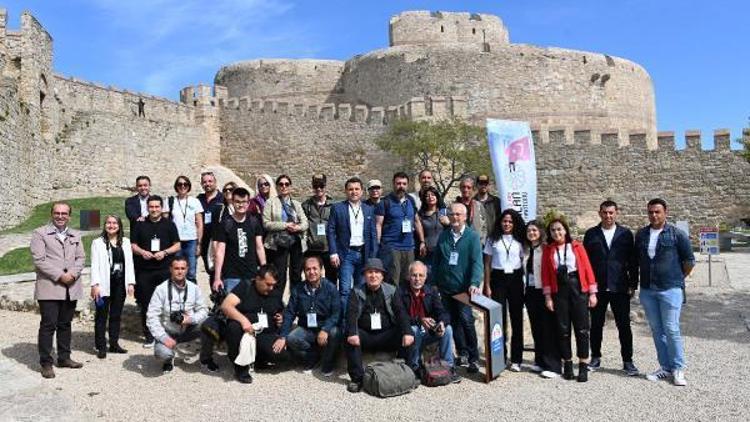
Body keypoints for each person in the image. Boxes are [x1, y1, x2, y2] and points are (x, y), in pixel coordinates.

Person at [635, 198, 694, 386]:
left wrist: (676, 279)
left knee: (671, 328)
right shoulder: (642, 235)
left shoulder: (677, 234)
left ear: (665, 212)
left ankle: (678, 368)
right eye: (650, 212)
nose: (654, 215)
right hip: (647, 290)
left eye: (657, 212)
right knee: (657, 329)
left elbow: (689, 261)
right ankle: (665, 367)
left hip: (670, 289)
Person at [583, 200, 640, 376]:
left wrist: (633, 284)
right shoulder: (591, 234)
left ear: (617, 213)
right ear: (600, 213)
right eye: (605, 212)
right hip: (597, 287)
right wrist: (587, 287)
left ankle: (628, 361)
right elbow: (586, 263)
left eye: (611, 213)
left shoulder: (625, 234)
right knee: (596, 325)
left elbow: (633, 261)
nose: (608, 216)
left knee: (624, 326)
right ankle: (595, 357)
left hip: (620, 286)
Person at [31, 202, 86, 379]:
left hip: (71, 285)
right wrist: (60, 276)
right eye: (57, 213)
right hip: (50, 286)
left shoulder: (76, 234)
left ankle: (64, 357)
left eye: (64, 213)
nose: (60, 216)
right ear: (52, 214)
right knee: (48, 325)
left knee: (65, 324)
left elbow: (81, 258)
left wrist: (72, 274)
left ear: (69, 216)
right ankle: (46, 363)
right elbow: (39, 260)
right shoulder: (40, 233)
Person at [344, 258, 414, 393]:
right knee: (350, 335)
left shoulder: (392, 291)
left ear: (382, 275)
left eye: (377, 272)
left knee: (406, 333)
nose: (373, 275)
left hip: (386, 334)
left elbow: (401, 312)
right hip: (365, 335)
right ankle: (357, 379)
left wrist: (407, 332)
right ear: (365, 275)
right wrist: (353, 332)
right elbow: (351, 314)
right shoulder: (356, 292)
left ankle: (407, 373)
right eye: (370, 272)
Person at [541, 217, 598, 382]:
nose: (556, 232)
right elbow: (545, 274)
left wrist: (592, 293)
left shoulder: (577, 247)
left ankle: (582, 365)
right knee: (563, 329)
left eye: (559, 229)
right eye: (553, 230)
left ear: (565, 230)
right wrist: (548, 297)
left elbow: (587, 268)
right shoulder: (549, 250)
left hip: (578, 288)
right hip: (559, 291)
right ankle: (567, 363)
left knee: (582, 328)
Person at [432, 202, 483, 373]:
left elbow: (477, 262)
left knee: (467, 321)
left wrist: (475, 283)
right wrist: (434, 283)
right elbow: (436, 261)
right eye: (452, 214)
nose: (455, 217)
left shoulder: (472, 237)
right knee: (452, 321)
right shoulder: (444, 235)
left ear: (465, 216)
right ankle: (461, 353)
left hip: (463, 289)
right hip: (445, 287)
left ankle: (474, 357)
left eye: (458, 214)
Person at [223, 265, 289, 384]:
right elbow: (226, 305)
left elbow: (281, 310)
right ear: (258, 279)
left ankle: (258, 359)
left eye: (273, 284)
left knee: (281, 356)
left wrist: (280, 318)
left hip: (265, 333)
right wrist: (243, 321)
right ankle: (240, 367)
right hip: (246, 332)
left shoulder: (274, 292)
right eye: (268, 284)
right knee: (233, 327)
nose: (271, 288)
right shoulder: (245, 286)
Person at [131, 195, 181, 347]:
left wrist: (165, 252)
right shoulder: (140, 224)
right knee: (146, 304)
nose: (154, 209)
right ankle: (150, 336)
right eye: (151, 207)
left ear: (161, 208)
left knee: (167, 303)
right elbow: (133, 245)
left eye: (156, 206)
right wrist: (142, 252)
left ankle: (166, 334)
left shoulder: (169, 224)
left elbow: (177, 245)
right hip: (145, 271)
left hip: (164, 269)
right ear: (147, 207)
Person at [278, 256, 341, 375]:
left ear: (321, 270)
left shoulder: (331, 288)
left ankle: (327, 365)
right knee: (291, 338)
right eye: (308, 269)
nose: (311, 272)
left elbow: (336, 313)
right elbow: (290, 313)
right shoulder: (298, 289)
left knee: (335, 332)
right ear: (304, 272)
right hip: (307, 328)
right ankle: (313, 356)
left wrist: (325, 329)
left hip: (325, 327)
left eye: (315, 268)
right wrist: (283, 336)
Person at [398, 261, 459, 382]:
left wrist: (441, 322)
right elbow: (400, 317)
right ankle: (414, 367)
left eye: (421, 275)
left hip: (427, 333)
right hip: (409, 334)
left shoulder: (431, 291)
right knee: (414, 329)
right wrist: (420, 320)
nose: (417, 279)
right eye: (414, 275)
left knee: (448, 329)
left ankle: (449, 367)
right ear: (408, 276)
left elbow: (442, 312)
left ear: (425, 277)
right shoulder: (400, 292)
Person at [146, 257, 209, 373]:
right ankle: (168, 359)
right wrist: (163, 338)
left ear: (187, 269)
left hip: (188, 329)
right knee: (162, 353)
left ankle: (205, 358)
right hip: (168, 331)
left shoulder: (194, 288)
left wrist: (190, 319)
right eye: (176, 268)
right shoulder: (161, 289)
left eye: (182, 268)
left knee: (209, 323)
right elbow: (151, 317)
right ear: (170, 269)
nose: (180, 271)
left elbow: (204, 310)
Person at [327, 177, 378, 317]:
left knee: (361, 290)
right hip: (346, 254)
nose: (354, 192)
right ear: (346, 191)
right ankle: (344, 322)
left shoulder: (368, 210)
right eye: (350, 189)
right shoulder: (337, 208)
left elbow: (373, 234)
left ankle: (358, 320)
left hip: (364, 254)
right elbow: (330, 230)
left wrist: (373, 257)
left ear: (362, 191)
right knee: (344, 290)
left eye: (357, 189)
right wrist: (333, 252)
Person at [483, 208, 526, 372]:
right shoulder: (492, 239)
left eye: (510, 221)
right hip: (498, 280)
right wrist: (486, 285)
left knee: (516, 319)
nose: (507, 224)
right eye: (504, 221)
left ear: (514, 223)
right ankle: (500, 357)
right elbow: (487, 263)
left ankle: (516, 359)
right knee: (498, 321)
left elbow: (524, 261)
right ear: (500, 222)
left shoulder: (520, 240)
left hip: (515, 279)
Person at [90, 214, 136, 359]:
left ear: (119, 225)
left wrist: (130, 283)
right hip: (103, 284)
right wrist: (95, 284)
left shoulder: (126, 242)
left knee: (116, 315)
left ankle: (114, 344)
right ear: (105, 225)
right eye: (109, 223)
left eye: (114, 223)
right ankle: (101, 346)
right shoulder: (97, 243)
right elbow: (94, 266)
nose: (111, 225)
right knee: (101, 315)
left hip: (119, 284)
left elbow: (129, 263)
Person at [522, 220, 562, 379]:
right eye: (529, 231)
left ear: (540, 232)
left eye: (534, 230)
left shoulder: (546, 249)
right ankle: (540, 361)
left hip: (544, 291)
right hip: (530, 291)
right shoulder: (526, 250)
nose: (531, 233)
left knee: (548, 328)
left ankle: (554, 365)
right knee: (536, 327)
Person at [212, 187, 266, 294]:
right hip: (231, 275)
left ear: (248, 202)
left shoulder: (254, 222)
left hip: (252, 274)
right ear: (232, 202)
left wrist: (264, 270)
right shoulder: (225, 224)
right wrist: (217, 277)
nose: (241, 205)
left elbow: (259, 247)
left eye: (244, 202)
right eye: (237, 202)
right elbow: (220, 252)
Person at [375, 171, 426, 284]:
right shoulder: (385, 202)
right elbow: (378, 224)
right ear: (393, 184)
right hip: (392, 247)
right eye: (398, 183)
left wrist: (422, 241)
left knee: (409, 280)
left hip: (409, 247)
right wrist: (378, 244)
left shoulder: (411, 201)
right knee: (393, 280)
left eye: (404, 184)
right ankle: (394, 302)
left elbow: (417, 221)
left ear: (407, 185)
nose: (401, 186)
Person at [263, 174, 308, 298]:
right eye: (281, 184)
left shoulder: (296, 204)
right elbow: (266, 223)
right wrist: (285, 225)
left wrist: (297, 227)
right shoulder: (271, 203)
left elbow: (305, 223)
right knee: (280, 274)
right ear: (277, 187)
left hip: (295, 242)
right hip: (278, 243)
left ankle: (294, 302)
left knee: (296, 274)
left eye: (286, 184)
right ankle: (277, 304)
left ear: (290, 187)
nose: (284, 186)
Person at [163, 175, 204, 283]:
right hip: (176, 241)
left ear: (189, 186)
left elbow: (200, 224)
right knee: (176, 271)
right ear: (176, 186)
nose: (182, 186)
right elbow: (165, 222)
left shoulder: (195, 202)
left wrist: (199, 244)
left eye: (185, 184)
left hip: (191, 240)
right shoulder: (170, 201)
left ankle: (190, 297)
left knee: (191, 272)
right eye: (180, 184)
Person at [301, 174, 337, 282]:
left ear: (325, 186)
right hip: (312, 248)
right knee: (312, 277)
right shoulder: (306, 205)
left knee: (332, 278)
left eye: (321, 186)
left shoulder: (333, 205)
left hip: (328, 247)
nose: (319, 189)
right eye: (316, 186)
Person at [197, 171, 224, 281]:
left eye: (210, 181)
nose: (207, 184)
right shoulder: (199, 199)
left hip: (218, 239)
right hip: (204, 240)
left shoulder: (222, 199)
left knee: (220, 268)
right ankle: (216, 295)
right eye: (204, 182)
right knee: (210, 268)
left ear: (215, 182)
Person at [417, 186, 449, 274]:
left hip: (443, 252)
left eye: (433, 195)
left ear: (437, 197)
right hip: (427, 253)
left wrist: (449, 223)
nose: (430, 197)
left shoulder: (445, 212)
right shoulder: (420, 215)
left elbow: (456, 228)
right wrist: (422, 243)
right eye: (427, 195)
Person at [455, 176, 488, 245]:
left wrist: (482, 242)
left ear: (473, 189)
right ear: (460, 188)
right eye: (463, 187)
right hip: (460, 244)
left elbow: (484, 226)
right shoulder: (454, 206)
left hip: (476, 244)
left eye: (468, 187)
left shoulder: (478, 205)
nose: (466, 190)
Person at [474, 174, 501, 238]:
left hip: (493, 238)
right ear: (477, 185)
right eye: (481, 183)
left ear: (488, 185)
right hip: (478, 239)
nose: (483, 186)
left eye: (485, 183)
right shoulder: (472, 202)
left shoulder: (496, 201)